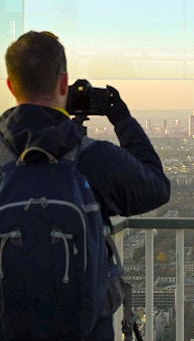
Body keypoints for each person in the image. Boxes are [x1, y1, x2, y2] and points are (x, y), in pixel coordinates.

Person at [0, 30, 171, 340]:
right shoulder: (93, 158)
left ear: (11, 85)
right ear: (64, 83)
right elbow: (157, 186)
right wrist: (122, 118)